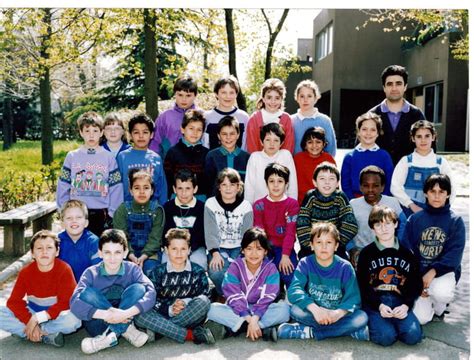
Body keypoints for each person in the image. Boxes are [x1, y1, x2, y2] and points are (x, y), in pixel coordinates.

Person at [70, 229, 156, 354]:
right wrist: (106, 315)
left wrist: (124, 314)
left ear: (125, 252)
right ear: (100, 253)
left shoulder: (132, 269)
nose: (112, 258)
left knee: (139, 288)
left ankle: (108, 337)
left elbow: (151, 293)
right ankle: (125, 330)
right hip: (99, 322)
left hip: (126, 316)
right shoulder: (90, 272)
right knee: (87, 293)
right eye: (107, 252)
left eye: (117, 252)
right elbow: (74, 302)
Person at [278, 223, 368, 341]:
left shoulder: (345, 267)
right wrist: (315, 309)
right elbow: (294, 289)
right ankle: (348, 331)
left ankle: (308, 332)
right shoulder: (306, 263)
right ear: (311, 245)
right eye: (319, 242)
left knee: (361, 317)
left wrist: (338, 313)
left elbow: (354, 298)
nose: (324, 247)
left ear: (336, 246)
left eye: (329, 243)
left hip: (337, 313)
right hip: (314, 312)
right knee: (295, 310)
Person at [206, 227, 290, 342]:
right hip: (239, 309)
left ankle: (238, 328)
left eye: (259, 249)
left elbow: (268, 296)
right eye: (249, 248)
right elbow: (232, 293)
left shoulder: (270, 268)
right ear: (242, 250)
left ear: (265, 251)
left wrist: (255, 317)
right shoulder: (235, 266)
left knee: (284, 310)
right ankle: (260, 328)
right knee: (211, 309)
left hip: (261, 309)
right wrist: (249, 318)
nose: (254, 254)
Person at [402, 174, 465, 325]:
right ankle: (427, 298)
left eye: (442, 192)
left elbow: (454, 256)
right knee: (421, 319)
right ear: (425, 193)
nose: (437, 196)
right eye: (432, 191)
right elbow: (406, 249)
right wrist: (417, 280)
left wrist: (432, 272)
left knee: (441, 294)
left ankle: (440, 305)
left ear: (448, 194)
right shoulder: (415, 219)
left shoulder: (455, 221)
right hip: (419, 272)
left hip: (443, 272)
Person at [0, 230, 81, 347]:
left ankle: (29, 332)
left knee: (74, 320)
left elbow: (67, 302)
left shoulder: (64, 269)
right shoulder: (26, 272)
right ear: (32, 253)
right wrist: (30, 320)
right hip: (33, 311)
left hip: (55, 315)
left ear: (57, 251)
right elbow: (14, 302)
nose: (44, 252)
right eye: (39, 248)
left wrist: (38, 319)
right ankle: (44, 335)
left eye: (49, 248)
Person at [357, 205, 423, 346]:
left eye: (388, 223)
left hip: (400, 301)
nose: (384, 228)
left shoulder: (407, 253)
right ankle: (369, 327)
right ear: (372, 228)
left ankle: (393, 325)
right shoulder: (366, 253)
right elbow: (362, 284)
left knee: (413, 336)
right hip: (376, 302)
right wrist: (379, 305)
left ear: (396, 224)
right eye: (378, 225)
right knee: (386, 338)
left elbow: (415, 283)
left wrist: (406, 305)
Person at [135, 228, 215, 345]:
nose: (179, 253)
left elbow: (205, 295)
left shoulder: (198, 271)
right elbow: (151, 299)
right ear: (166, 250)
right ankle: (191, 334)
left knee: (204, 302)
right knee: (139, 314)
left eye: (183, 249)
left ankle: (160, 330)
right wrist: (170, 309)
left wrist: (185, 303)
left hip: (189, 314)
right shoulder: (157, 272)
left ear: (189, 250)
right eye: (174, 249)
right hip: (163, 313)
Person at [57, 111, 123, 237]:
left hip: (101, 213)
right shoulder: (72, 156)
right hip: (76, 212)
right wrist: (63, 209)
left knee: (98, 249)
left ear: (101, 132)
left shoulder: (108, 157)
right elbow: (63, 185)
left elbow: (116, 188)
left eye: (95, 131)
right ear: (81, 132)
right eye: (87, 131)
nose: (91, 135)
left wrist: (112, 213)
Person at [204, 168, 253, 296]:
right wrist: (214, 253)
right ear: (219, 187)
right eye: (224, 185)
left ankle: (239, 295)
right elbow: (210, 231)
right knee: (216, 272)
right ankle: (224, 295)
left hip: (239, 247)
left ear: (238, 187)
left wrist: (243, 255)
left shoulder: (246, 206)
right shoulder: (211, 204)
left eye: (232, 184)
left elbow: (247, 234)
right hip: (219, 248)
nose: (228, 188)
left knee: (239, 272)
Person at [390, 120, 455, 215]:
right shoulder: (407, 162)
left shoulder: (440, 163)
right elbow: (395, 187)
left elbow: (452, 186)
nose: (423, 140)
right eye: (419, 136)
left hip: (435, 211)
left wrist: (445, 206)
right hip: (409, 210)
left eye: (427, 136)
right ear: (413, 138)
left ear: (433, 137)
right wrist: (411, 205)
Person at [296, 162, 358, 259]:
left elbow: (351, 226)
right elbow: (301, 227)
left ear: (337, 183)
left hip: (335, 248)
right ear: (314, 182)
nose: (327, 182)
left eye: (331, 179)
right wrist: (317, 246)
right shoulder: (310, 197)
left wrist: (332, 245)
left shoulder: (340, 197)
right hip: (311, 249)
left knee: (344, 268)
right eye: (322, 179)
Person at [348, 166, 406, 268]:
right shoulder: (353, 204)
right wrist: (351, 248)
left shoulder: (392, 202)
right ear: (360, 187)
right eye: (366, 185)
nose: (370, 190)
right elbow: (346, 228)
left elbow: (403, 225)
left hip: (387, 251)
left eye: (375, 185)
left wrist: (397, 246)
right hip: (361, 252)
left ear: (382, 187)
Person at [253, 163, 299, 289]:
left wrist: (285, 256)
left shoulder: (292, 205)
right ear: (266, 183)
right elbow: (259, 233)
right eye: (271, 181)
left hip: (284, 248)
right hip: (265, 248)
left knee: (290, 274)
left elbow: (290, 232)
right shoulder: (259, 205)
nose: (276, 185)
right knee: (264, 278)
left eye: (280, 181)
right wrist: (263, 255)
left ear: (286, 183)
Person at [370, 64, 426, 165]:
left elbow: (429, 148)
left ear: (405, 87)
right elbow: (360, 148)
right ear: (384, 88)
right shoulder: (372, 115)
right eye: (390, 84)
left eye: (398, 83)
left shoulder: (416, 115)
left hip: (409, 176)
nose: (394, 88)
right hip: (378, 176)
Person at [113, 169, 165, 275]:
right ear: (131, 191)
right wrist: (131, 255)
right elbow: (121, 237)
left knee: (151, 272)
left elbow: (155, 239)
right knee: (125, 273)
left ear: (152, 191)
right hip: (127, 252)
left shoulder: (157, 210)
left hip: (150, 253)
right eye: (137, 188)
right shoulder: (122, 210)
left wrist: (144, 256)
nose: (141, 192)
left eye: (146, 188)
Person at [117, 112, 168, 205]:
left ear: (152, 134)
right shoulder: (122, 157)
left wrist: (163, 210)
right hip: (127, 208)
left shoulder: (156, 158)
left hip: (152, 210)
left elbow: (162, 187)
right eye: (136, 132)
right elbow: (116, 187)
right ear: (130, 135)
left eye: (145, 132)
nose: (141, 136)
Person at [341, 112, 394, 200]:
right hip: (355, 202)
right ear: (358, 131)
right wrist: (353, 202)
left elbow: (389, 182)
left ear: (378, 133)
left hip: (380, 202)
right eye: (364, 129)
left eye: (373, 130)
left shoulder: (384, 156)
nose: (368, 133)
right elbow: (345, 185)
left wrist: (381, 201)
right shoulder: (349, 157)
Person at [162, 169, 207, 270]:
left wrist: (187, 249)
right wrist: (176, 248)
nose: (184, 193)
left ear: (195, 189)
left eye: (188, 188)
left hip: (195, 247)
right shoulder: (168, 207)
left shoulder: (202, 208)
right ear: (174, 189)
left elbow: (202, 234)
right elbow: (164, 232)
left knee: (199, 262)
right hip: (173, 246)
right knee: (166, 263)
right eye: (180, 188)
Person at [244, 123, 297, 204]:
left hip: (283, 205)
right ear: (261, 142)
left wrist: (293, 205)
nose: (272, 144)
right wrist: (248, 209)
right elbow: (249, 187)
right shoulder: (255, 157)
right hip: (260, 207)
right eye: (268, 140)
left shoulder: (285, 155)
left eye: (276, 140)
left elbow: (292, 184)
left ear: (281, 143)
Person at [164, 109, 209, 201]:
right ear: (182, 129)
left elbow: (209, 181)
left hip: (200, 200)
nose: (195, 133)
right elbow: (167, 180)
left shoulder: (207, 154)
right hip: (177, 199)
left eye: (199, 129)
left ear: (203, 132)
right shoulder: (173, 152)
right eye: (191, 128)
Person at [149, 74, 199, 158]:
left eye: (188, 95)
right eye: (180, 95)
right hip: (170, 165)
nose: (184, 99)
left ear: (195, 95)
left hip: (196, 166)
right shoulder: (164, 117)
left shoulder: (202, 115)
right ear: (175, 94)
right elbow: (155, 144)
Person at [246, 78, 294, 153]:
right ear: (263, 98)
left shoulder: (286, 119)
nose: (273, 101)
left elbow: (288, 146)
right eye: (269, 97)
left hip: (281, 163)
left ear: (282, 99)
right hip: (258, 162)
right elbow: (252, 146)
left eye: (277, 98)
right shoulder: (254, 119)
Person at [204, 115, 250, 194]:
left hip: (240, 202)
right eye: (224, 134)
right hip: (216, 202)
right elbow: (208, 184)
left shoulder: (246, 157)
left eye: (232, 134)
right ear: (218, 136)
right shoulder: (212, 156)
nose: (228, 137)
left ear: (238, 135)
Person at [58, 200, 101, 282]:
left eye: (78, 217)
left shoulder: (93, 241)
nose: (74, 221)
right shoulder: (57, 242)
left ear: (86, 223)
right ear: (62, 223)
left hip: (87, 285)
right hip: (63, 286)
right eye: (69, 218)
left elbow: (97, 270)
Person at [291, 79, 336, 156]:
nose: (305, 100)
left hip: (320, 166)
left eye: (309, 96)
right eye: (302, 96)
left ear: (315, 98)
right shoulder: (291, 120)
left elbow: (331, 148)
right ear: (297, 98)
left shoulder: (325, 121)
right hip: (295, 166)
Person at [203, 75, 249, 150]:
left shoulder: (243, 117)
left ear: (236, 94)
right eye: (223, 92)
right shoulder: (207, 117)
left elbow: (245, 145)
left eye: (231, 92)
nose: (228, 96)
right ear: (216, 94)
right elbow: (204, 143)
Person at [293, 126, 336, 204]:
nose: (314, 145)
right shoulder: (297, 159)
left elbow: (335, 183)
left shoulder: (328, 159)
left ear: (323, 144)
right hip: (302, 202)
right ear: (305, 145)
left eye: (318, 142)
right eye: (310, 142)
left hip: (324, 202)